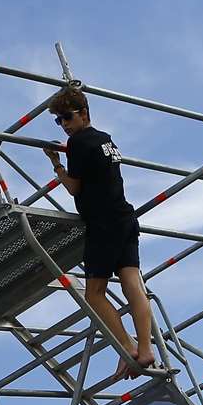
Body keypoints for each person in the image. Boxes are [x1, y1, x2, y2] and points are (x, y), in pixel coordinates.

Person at [43, 87, 155, 380]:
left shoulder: (79, 143)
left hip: (103, 224)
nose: (65, 125)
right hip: (125, 217)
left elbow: (74, 188)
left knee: (94, 294)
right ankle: (145, 349)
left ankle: (127, 347)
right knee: (133, 284)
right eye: (59, 121)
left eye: (67, 117)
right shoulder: (106, 139)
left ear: (83, 114)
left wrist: (55, 163)